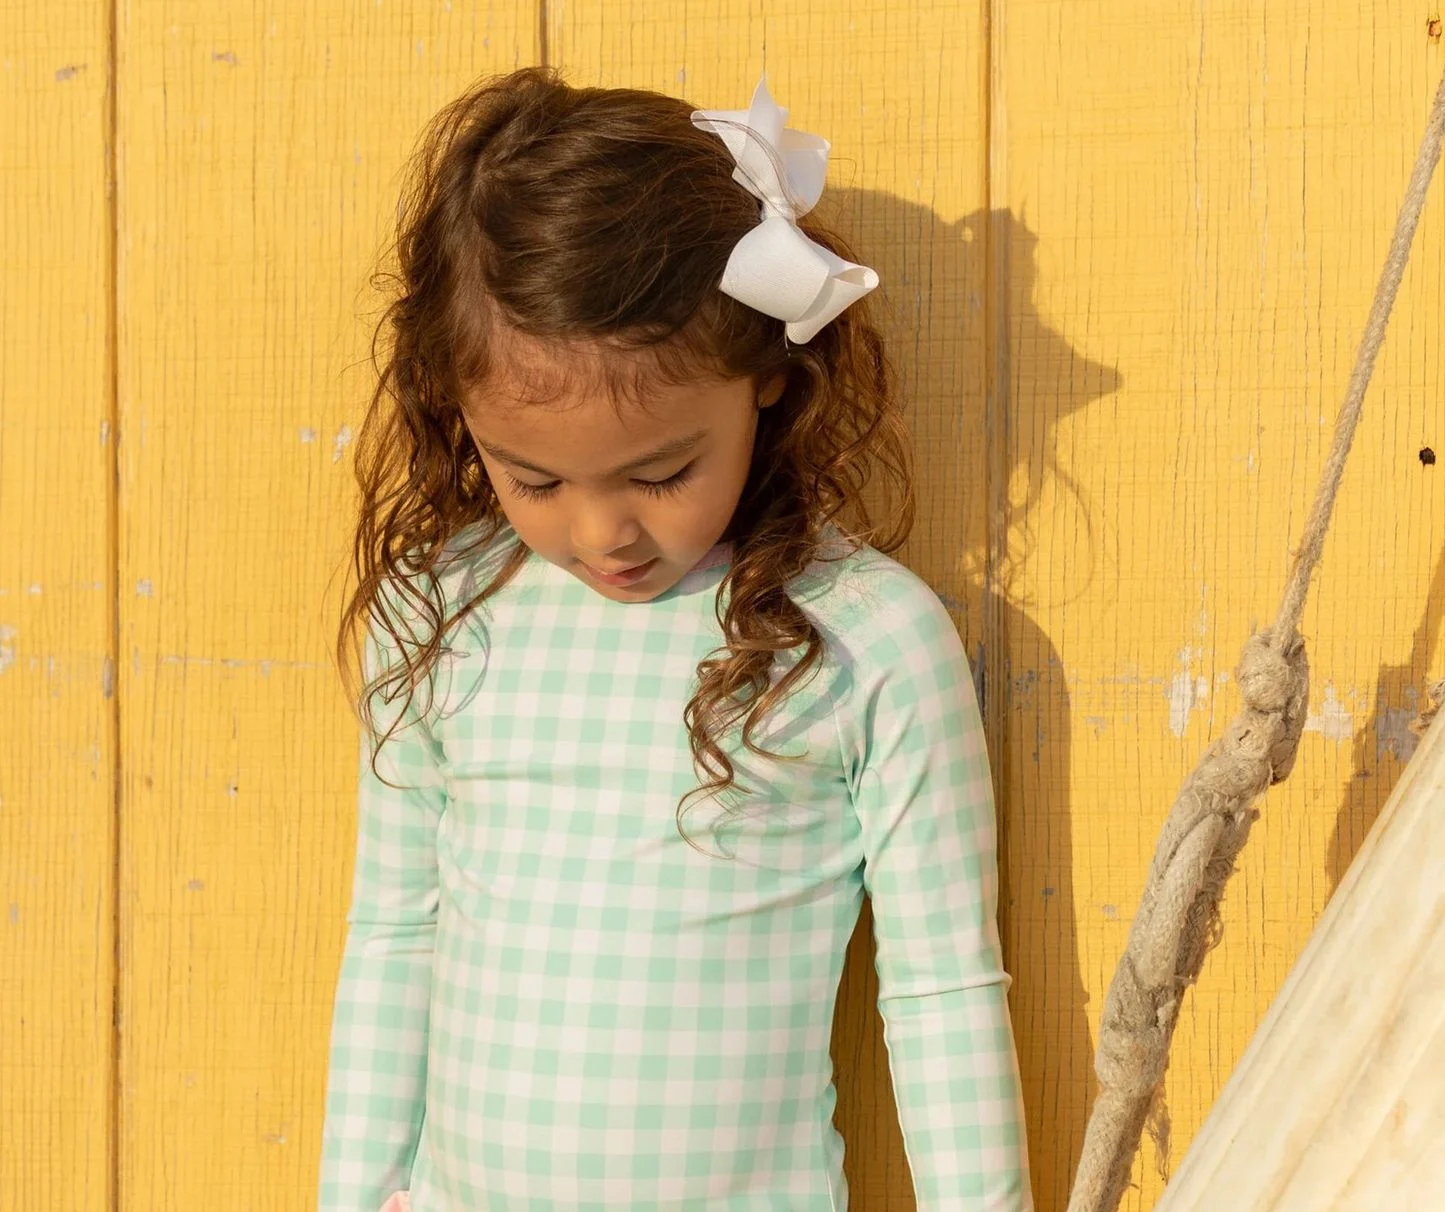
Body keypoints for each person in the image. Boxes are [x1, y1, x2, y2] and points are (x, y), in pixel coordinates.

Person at [318, 67, 1032, 1211]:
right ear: (459, 413)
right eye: (533, 476)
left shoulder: (863, 641)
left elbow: (943, 988)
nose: (603, 532)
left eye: (661, 473)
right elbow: (397, 936)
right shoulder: (440, 609)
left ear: (765, 379)